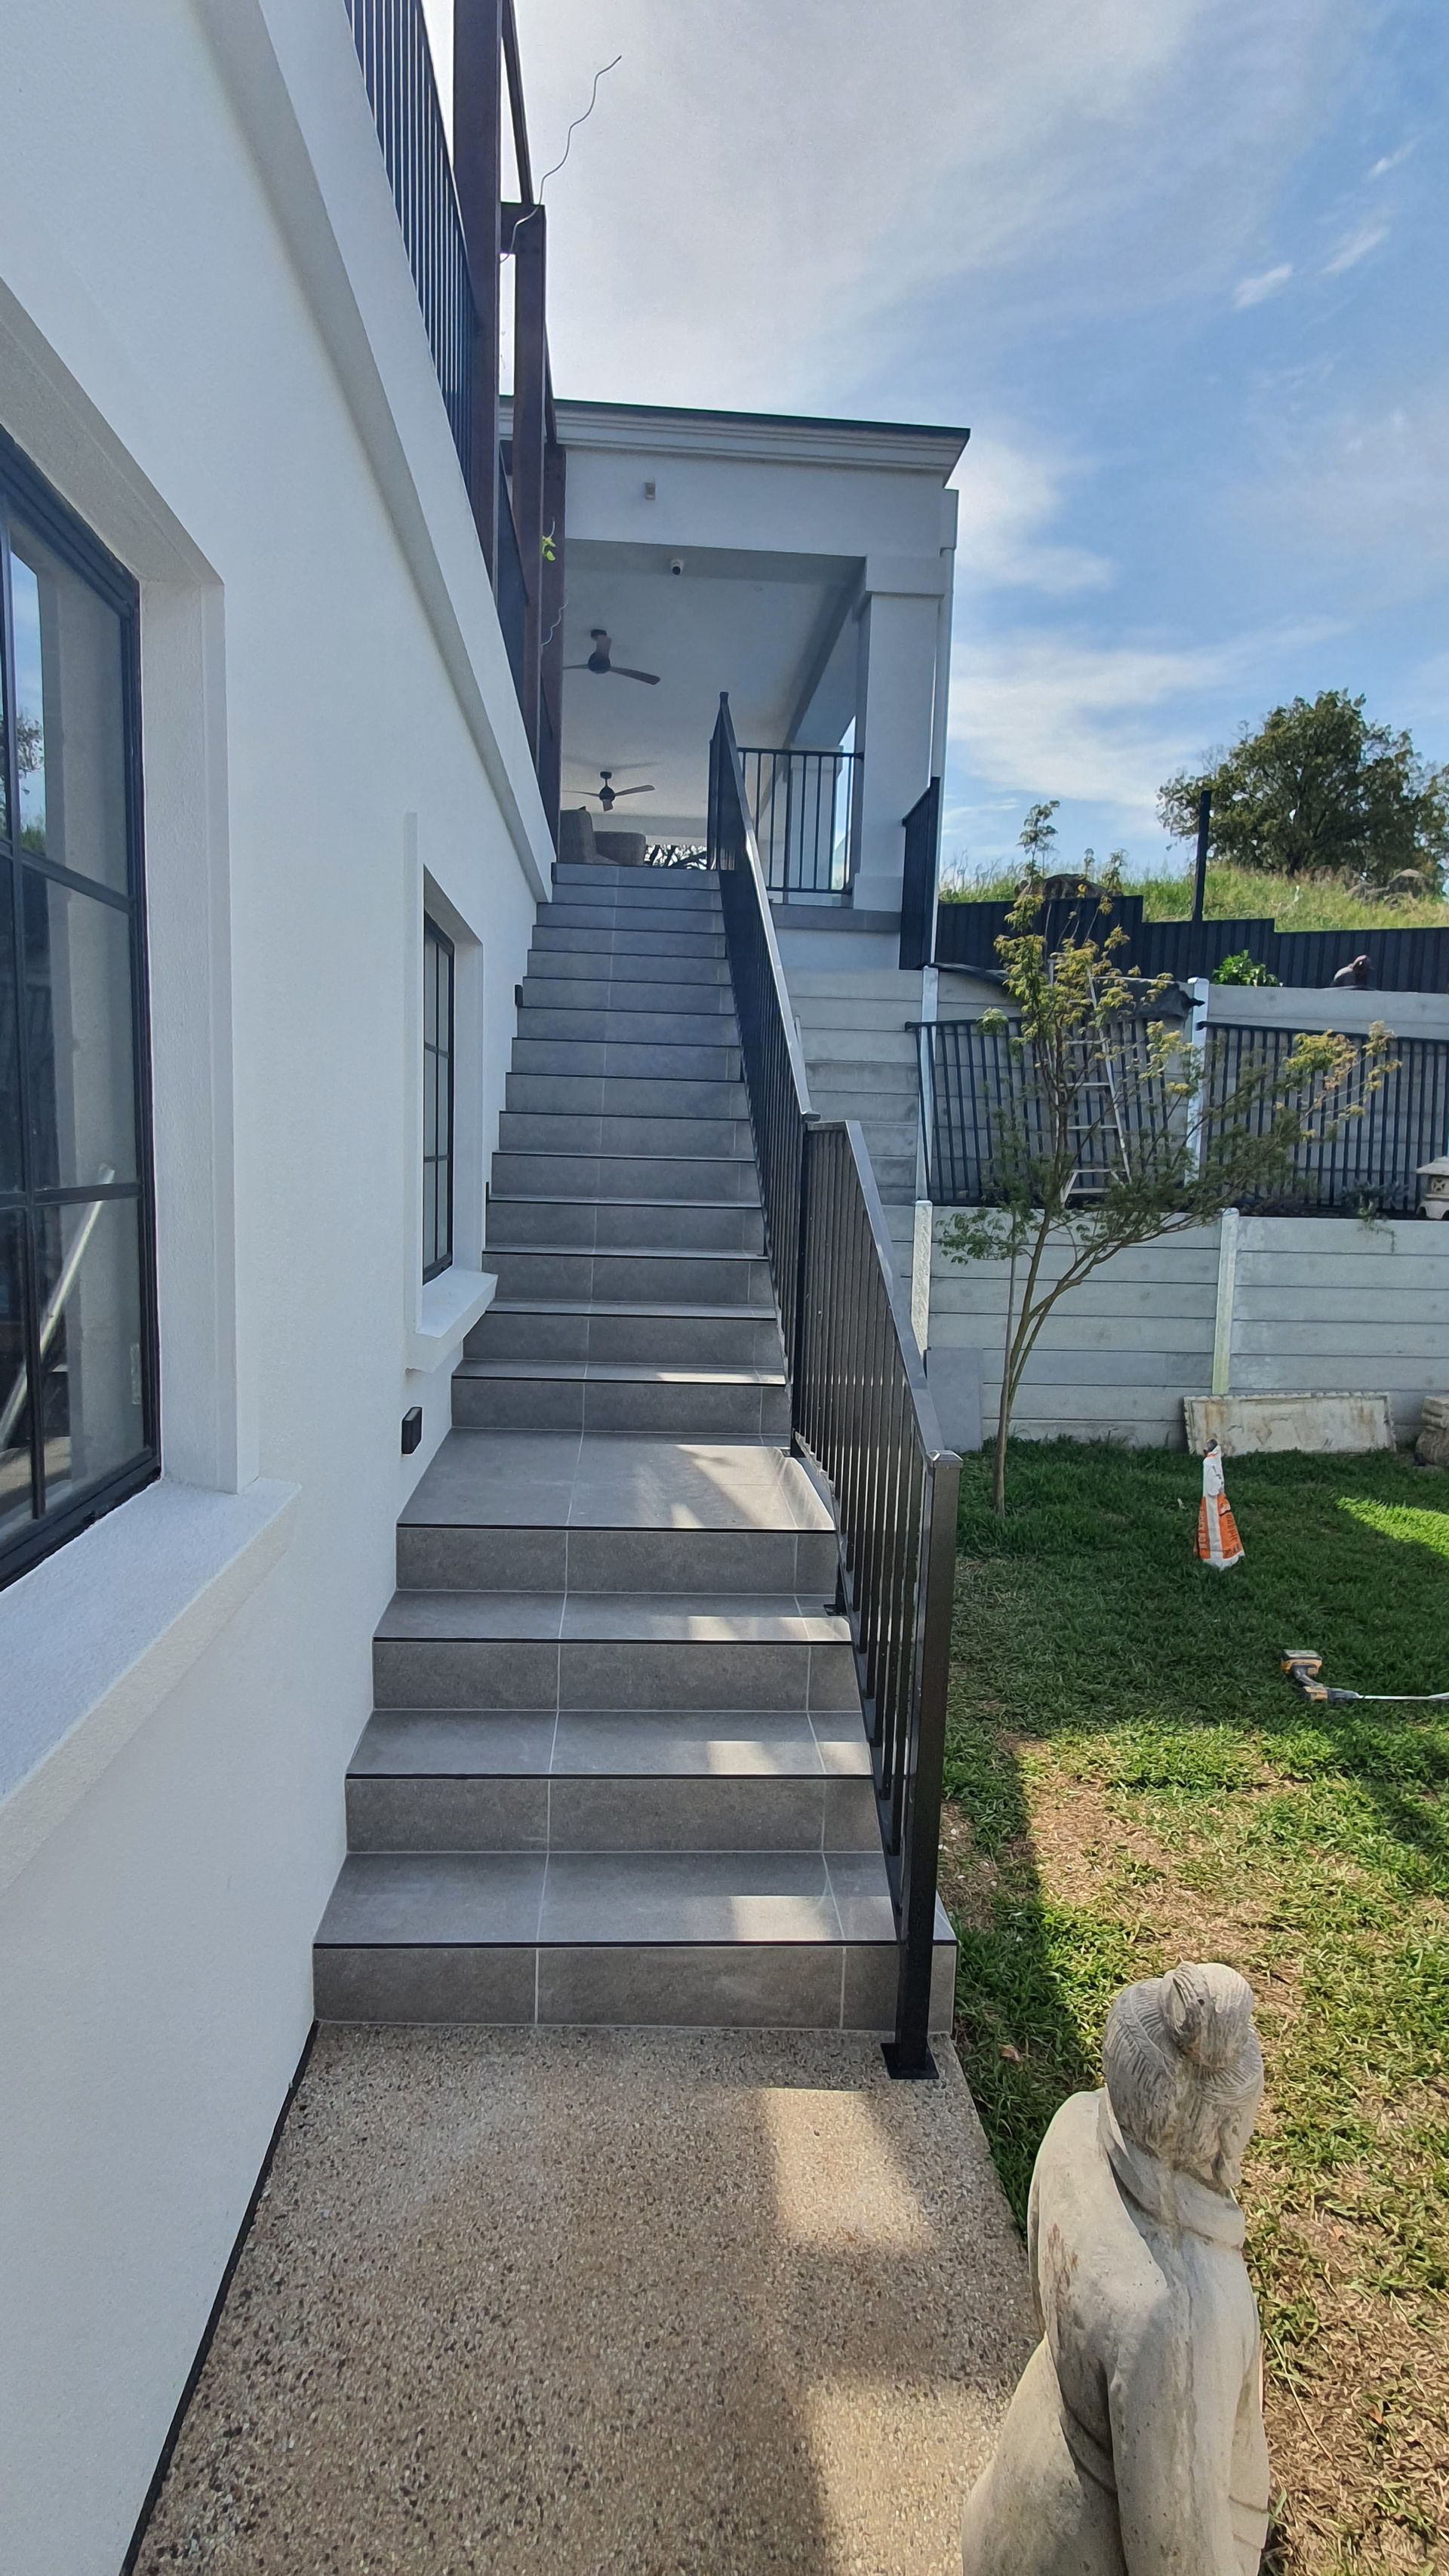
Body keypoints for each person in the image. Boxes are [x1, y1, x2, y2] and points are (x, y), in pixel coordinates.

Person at [961, 1964, 1271, 2576]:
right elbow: (1176, 2552)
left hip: (1019, 2478)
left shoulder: (1077, 2121)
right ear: (1226, 2130)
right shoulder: (1179, 2314)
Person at [1196, 1439, 1244, 1571]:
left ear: (1206, 1451)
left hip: (1212, 1499)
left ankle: (1217, 1558)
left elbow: (1212, 1489)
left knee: (1214, 1525)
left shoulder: (1208, 1462)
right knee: (1222, 1524)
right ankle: (1228, 1555)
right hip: (1219, 1498)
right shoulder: (1216, 1460)